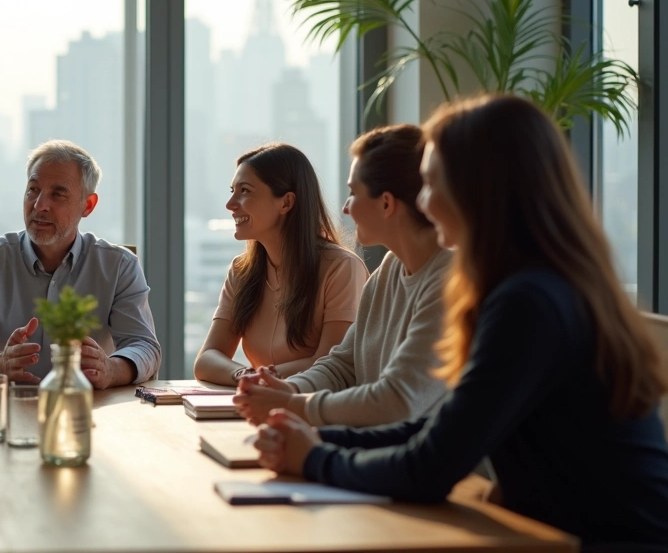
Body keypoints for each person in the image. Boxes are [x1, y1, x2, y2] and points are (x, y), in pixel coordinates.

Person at [254, 95, 668, 547]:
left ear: (478, 190)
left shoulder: (530, 301)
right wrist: (316, 438)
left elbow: (431, 466)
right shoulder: (533, 287)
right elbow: (438, 429)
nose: (423, 202)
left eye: (431, 183)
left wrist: (315, 458)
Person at [233, 125, 451, 427]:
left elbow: (398, 401)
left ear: (386, 203)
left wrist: (294, 405)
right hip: (372, 445)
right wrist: (288, 390)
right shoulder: (387, 271)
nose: (346, 208)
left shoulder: (449, 282)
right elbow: (342, 366)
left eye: (353, 193)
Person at [0, 140, 160, 388]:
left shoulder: (120, 267)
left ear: (88, 205)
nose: (39, 205)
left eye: (58, 194)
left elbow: (144, 347)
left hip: (87, 405)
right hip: (8, 406)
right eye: (33, 189)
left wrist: (111, 370)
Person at [194, 144, 367, 384]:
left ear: (286, 203)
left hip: (312, 404)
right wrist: (245, 375)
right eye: (233, 191)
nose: (230, 204)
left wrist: (261, 379)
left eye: (245, 191)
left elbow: (330, 366)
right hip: (263, 399)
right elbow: (206, 359)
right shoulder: (241, 271)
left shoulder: (342, 268)